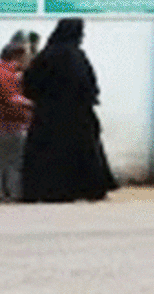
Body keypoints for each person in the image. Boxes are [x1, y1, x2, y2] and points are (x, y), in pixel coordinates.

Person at [20, 18, 118, 203]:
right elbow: (89, 86)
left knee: (47, 153)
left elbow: (29, 84)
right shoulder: (77, 56)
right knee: (81, 152)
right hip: (78, 117)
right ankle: (85, 189)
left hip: (48, 116)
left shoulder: (45, 56)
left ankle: (46, 191)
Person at [0, 42, 33, 203]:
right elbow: (13, 100)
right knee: (13, 163)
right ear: (17, 57)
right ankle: (13, 194)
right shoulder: (5, 75)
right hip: (5, 127)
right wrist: (35, 105)